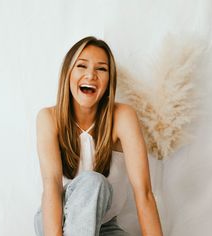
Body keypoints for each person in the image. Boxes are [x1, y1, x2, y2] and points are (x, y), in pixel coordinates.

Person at [34, 36, 163, 236]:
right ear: (68, 73)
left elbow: (143, 191)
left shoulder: (122, 117)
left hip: (105, 225)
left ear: (109, 80)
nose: (91, 75)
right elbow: (51, 185)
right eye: (82, 66)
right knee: (94, 181)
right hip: (60, 221)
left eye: (101, 69)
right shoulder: (48, 118)